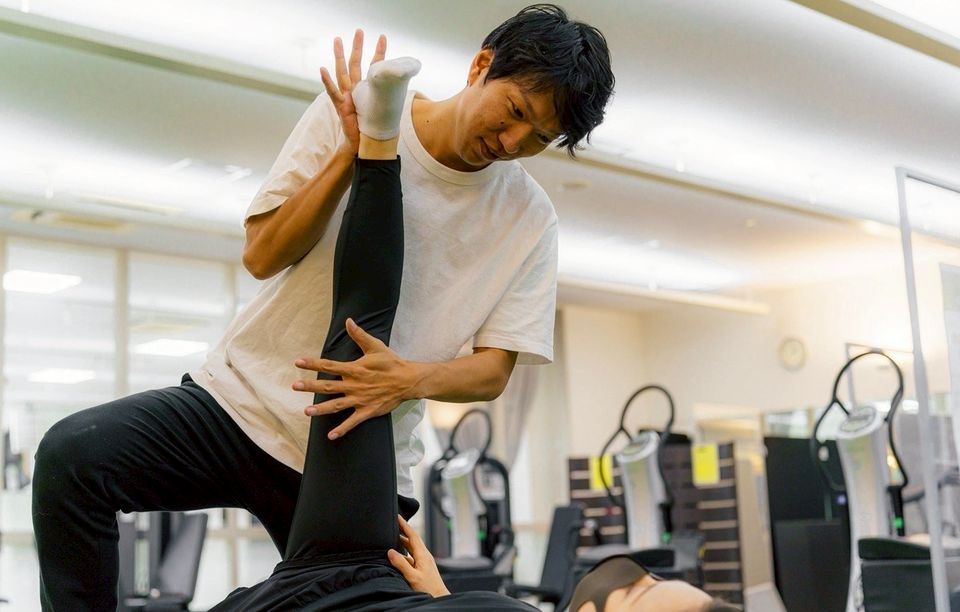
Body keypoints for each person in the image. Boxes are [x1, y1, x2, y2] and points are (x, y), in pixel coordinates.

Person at [31, 4, 614, 610]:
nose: (513, 142)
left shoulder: (530, 218)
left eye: (539, 138)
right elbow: (262, 253)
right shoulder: (354, 112)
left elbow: (493, 371)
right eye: (515, 111)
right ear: (481, 66)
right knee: (73, 458)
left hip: (353, 440)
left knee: (357, 603)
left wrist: (407, 380)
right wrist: (348, 153)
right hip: (242, 402)